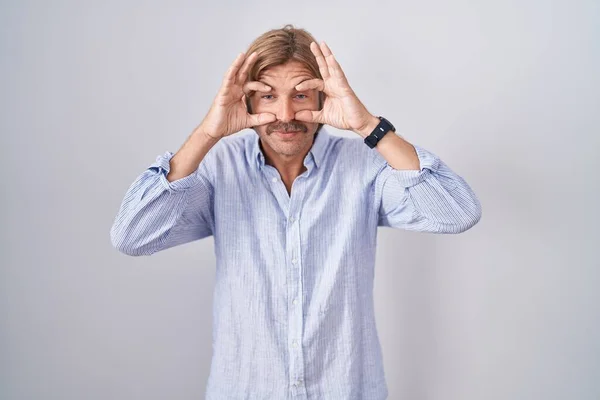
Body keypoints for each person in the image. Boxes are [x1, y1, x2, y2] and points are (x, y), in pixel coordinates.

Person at [110, 24, 482, 400]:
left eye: (301, 94)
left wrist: (368, 126)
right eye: (268, 96)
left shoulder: (364, 166)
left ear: (324, 98)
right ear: (248, 101)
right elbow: (132, 237)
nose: (285, 114)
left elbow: (456, 212)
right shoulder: (216, 169)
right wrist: (208, 133)